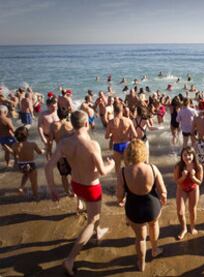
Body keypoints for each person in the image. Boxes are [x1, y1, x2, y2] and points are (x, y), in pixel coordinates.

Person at [45, 111, 115, 276]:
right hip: (91, 187)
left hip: (76, 185)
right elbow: (103, 171)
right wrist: (111, 164)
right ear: (86, 124)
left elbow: (48, 167)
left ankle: (98, 232)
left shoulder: (63, 143)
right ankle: (70, 260)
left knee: (94, 214)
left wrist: (53, 189)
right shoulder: (92, 145)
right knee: (92, 220)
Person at [116, 139, 167, 272]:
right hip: (152, 206)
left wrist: (120, 200)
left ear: (128, 154)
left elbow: (119, 194)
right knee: (154, 225)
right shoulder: (152, 168)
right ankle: (155, 250)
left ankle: (141, 262)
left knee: (140, 238)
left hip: (134, 208)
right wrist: (163, 198)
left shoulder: (123, 172)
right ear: (143, 152)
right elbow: (162, 190)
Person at [173, 147, 203, 240]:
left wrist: (192, 176)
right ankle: (184, 229)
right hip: (181, 188)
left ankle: (192, 227)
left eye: (189, 154)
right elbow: (176, 181)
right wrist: (183, 176)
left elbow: (199, 182)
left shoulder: (198, 166)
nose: (187, 157)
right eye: (185, 155)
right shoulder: (179, 166)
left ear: (193, 155)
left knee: (192, 209)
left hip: (193, 188)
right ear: (181, 156)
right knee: (180, 212)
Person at [6, 126, 43, 199]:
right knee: (34, 183)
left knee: (26, 174)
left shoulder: (14, 145)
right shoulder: (32, 144)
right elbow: (40, 152)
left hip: (21, 165)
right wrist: (45, 149)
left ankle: (21, 187)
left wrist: (8, 149)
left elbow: (14, 154)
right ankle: (35, 195)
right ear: (27, 135)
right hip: (30, 164)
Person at [49, 108, 75, 198]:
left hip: (59, 154)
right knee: (74, 174)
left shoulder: (53, 126)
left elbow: (50, 141)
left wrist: (49, 152)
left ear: (57, 114)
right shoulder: (70, 125)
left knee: (63, 175)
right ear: (67, 115)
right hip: (70, 154)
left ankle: (67, 192)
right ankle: (74, 192)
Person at [105, 103, 137, 175]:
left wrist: (112, 134)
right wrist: (129, 136)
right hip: (127, 144)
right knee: (128, 166)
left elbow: (106, 136)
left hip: (117, 145)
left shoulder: (111, 122)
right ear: (122, 110)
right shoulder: (128, 121)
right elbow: (135, 135)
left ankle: (119, 183)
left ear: (114, 111)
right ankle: (129, 183)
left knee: (117, 167)